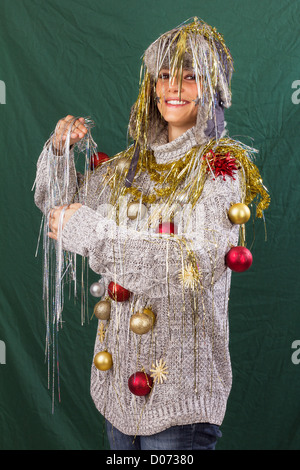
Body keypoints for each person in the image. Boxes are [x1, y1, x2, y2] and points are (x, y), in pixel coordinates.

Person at [34, 18, 270, 450]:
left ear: (212, 87)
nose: (174, 87)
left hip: (182, 404)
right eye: (164, 75)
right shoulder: (127, 167)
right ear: (152, 85)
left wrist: (95, 234)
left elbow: (193, 262)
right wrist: (59, 150)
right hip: (118, 394)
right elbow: (59, 208)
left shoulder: (220, 168)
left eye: (190, 76)